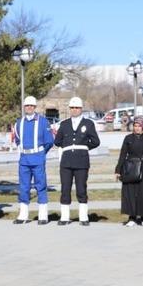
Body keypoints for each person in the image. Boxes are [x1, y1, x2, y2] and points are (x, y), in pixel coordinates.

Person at [54, 97, 100, 226]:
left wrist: (84, 147)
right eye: (72, 108)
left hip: (81, 161)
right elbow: (57, 141)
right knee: (65, 188)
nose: (74, 110)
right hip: (66, 161)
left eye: (77, 108)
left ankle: (83, 217)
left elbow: (96, 141)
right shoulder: (64, 124)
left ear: (81, 109)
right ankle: (64, 217)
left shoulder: (89, 124)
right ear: (69, 109)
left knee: (81, 188)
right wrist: (68, 146)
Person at [13, 96, 54, 225]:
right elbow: (18, 140)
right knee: (23, 187)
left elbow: (49, 141)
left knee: (41, 186)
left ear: (35, 107)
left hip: (38, 158)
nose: (29, 108)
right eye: (27, 106)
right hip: (24, 159)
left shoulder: (43, 122)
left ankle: (43, 215)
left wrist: (41, 154)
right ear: (24, 107)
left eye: (31, 106)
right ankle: (23, 215)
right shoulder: (19, 122)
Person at [115, 116, 143, 227]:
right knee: (130, 193)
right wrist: (118, 170)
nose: (137, 128)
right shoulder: (128, 138)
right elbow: (123, 154)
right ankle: (132, 217)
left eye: (139, 126)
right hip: (130, 169)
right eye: (135, 125)